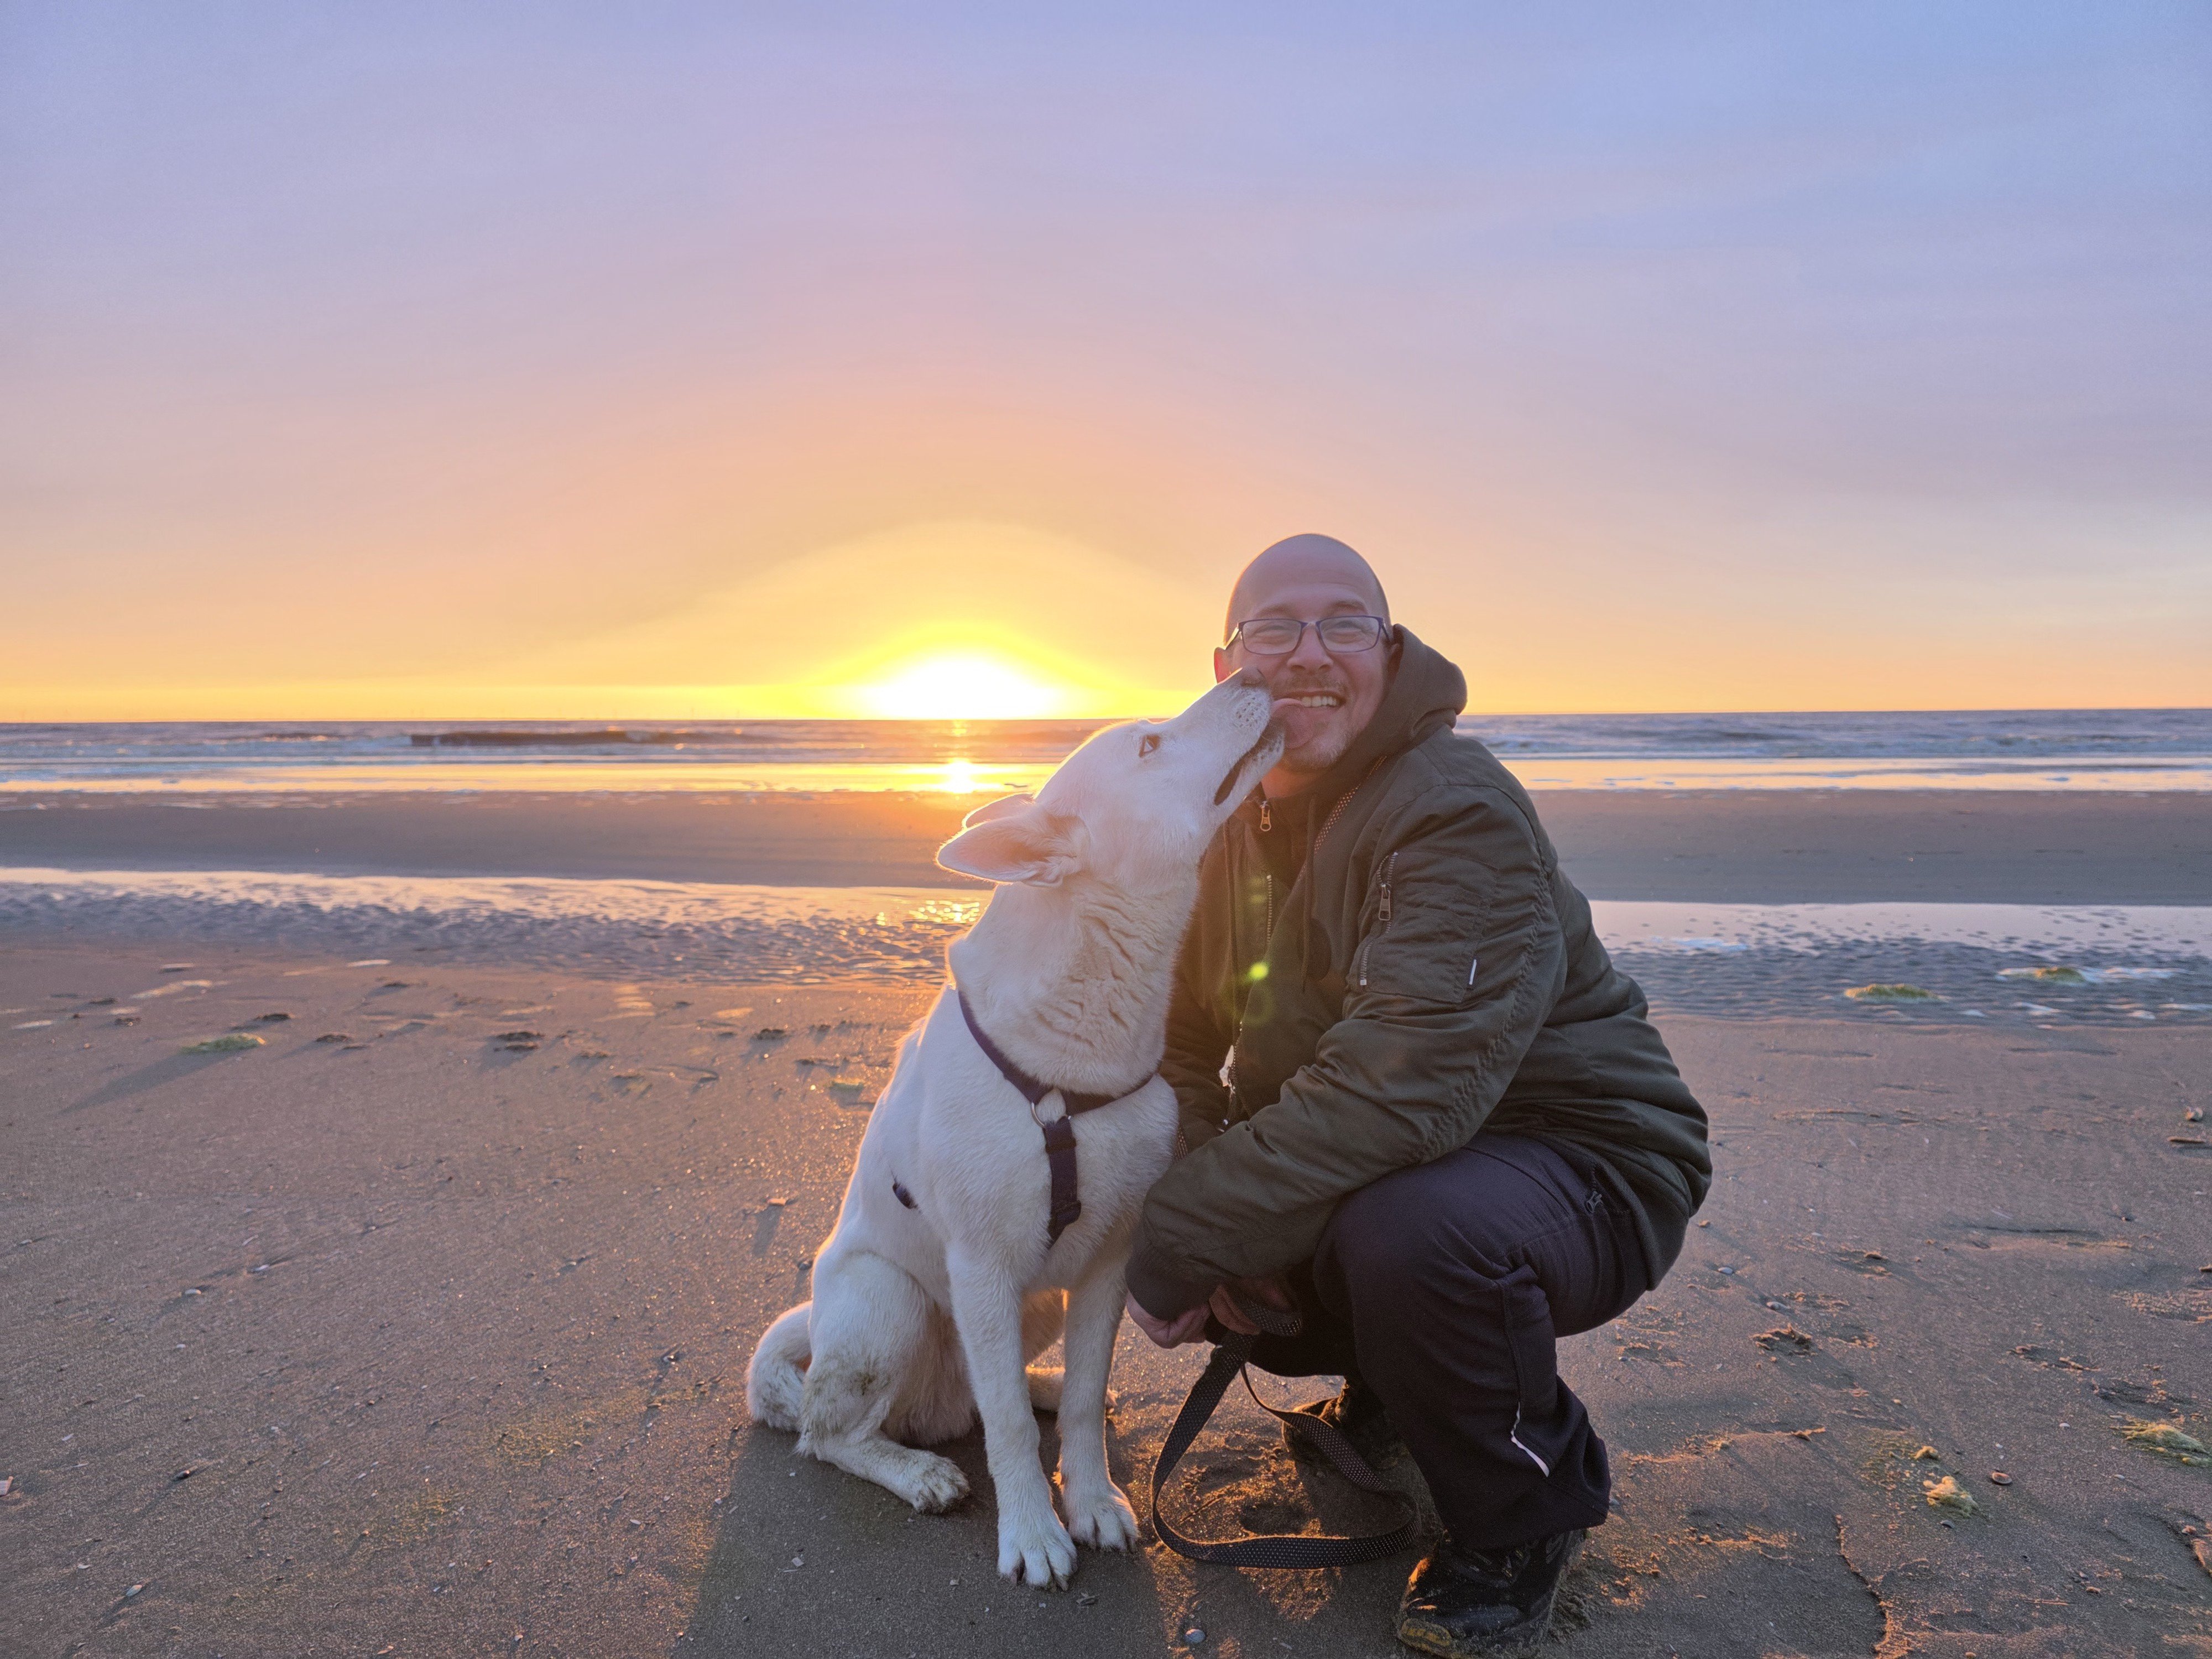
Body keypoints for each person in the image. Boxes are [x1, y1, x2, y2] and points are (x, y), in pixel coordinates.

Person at [1123, 534, 1710, 1656]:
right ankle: (1403, 1387)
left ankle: (1524, 1517)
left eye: (1342, 624)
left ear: (1386, 655)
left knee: (1411, 1241)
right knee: (1300, 1258)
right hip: (1414, 1160)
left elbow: (1404, 1095)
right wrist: (1216, 1204)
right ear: (1223, 665)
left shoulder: (1453, 810)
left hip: (1585, 1162)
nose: (1307, 653)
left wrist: (1181, 1231)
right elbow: (1182, 1037)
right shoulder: (1229, 820)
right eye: (1272, 628)